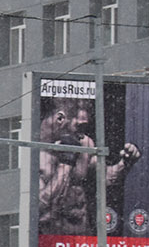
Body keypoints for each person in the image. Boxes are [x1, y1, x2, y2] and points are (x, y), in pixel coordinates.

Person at [37, 96, 142, 236]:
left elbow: (106, 178)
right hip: (49, 239)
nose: (81, 135)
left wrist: (125, 164)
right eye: (79, 126)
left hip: (81, 235)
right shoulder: (33, 150)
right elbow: (38, 208)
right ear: (60, 119)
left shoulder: (85, 143)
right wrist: (66, 163)